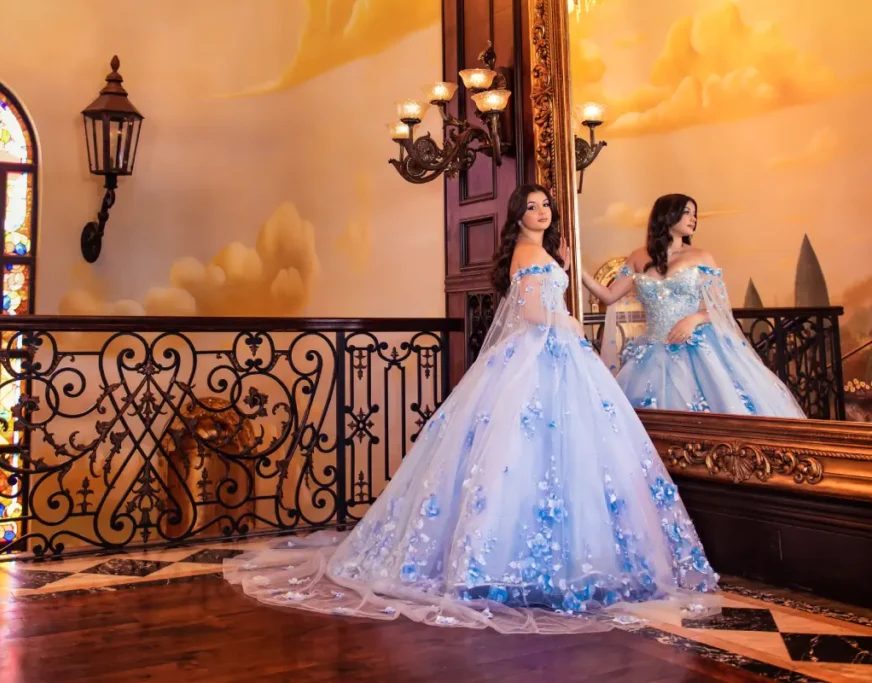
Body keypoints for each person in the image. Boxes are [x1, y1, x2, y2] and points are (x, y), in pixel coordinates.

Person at [224, 185, 719, 634]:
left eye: (546, 205)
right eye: (531, 207)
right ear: (517, 217)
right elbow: (529, 312)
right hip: (541, 353)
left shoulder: (543, 251)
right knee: (519, 454)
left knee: (564, 458)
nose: (542, 211)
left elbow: (552, 298)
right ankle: (501, 566)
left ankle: (563, 564)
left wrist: (565, 282)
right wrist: (564, 321)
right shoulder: (526, 254)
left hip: (560, 358)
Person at [582, 194, 806, 418]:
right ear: (668, 215)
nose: (693, 219)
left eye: (695, 214)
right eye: (687, 212)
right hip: (653, 350)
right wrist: (576, 269)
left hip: (696, 346)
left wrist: (694, 319)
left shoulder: (702, 257)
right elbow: (609, 295)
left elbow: (721, 307)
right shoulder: (638, 257)